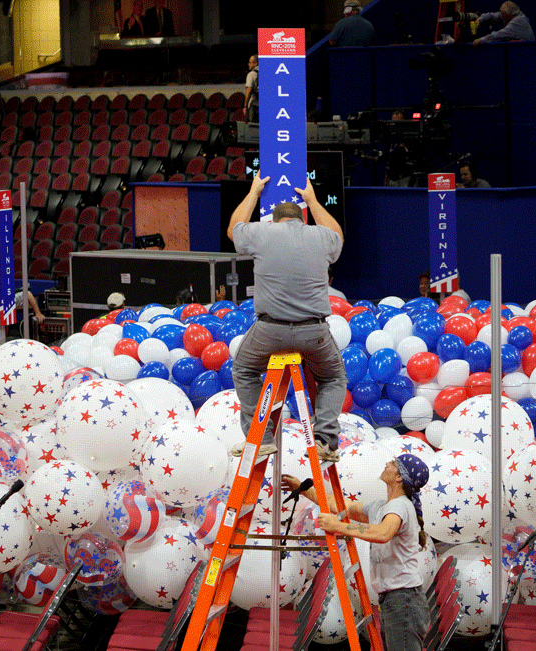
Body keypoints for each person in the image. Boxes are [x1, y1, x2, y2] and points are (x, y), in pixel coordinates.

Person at [228, 173, 345, 463]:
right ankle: (324, 439)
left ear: (274, 220)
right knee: (332, 376)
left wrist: (254, 192)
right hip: (313, 333)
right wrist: (313, 200)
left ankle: (263, 438)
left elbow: (233, 229)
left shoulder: (261, 232)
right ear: (302, 220)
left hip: (270, 332)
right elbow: (338, 235)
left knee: (243, 369)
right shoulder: (319, 236)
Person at [281, 453, 431, 651]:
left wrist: (339, 527)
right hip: (397, 600)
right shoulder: (384, 506)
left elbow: (383, 533)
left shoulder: (400, 505)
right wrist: (303, 489)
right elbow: (342, 506)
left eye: (393, 463)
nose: (387, 463)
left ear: (399, 477)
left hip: (403, 601)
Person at [244, 55, 259, 124]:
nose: (248, 64)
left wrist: (245, 107)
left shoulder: (251, 74)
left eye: (250, 62)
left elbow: (249, 91)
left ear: (255, 63)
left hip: (255, 106)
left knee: (254, 128)